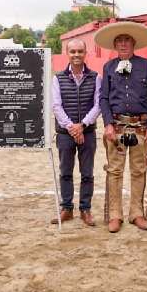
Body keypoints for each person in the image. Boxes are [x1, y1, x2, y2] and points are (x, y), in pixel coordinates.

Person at [96, 21, 147, 233]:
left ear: (134, 44)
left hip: (141, 126)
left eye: (127, 40)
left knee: (139, 170)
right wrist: (107, 124)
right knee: (114, 171)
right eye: (119, 41)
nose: (123, 44)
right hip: (116, 127)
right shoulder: (108, 67)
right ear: (115, 45)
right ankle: (115, 215)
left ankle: (137, 213)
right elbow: (104, 98)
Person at [50, 38, 101, 226]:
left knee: (87, 173)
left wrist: (83, 125)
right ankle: (67, 209)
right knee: (65, 172)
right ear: (67, 53)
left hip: (87, 133)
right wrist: (72, 127)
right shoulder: (58, 78)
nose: (76, 55)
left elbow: (98, 105)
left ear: (85, 53)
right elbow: (56, 106)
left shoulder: (96, 77)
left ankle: (85, 210)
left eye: (80, 51)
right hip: (65, 134)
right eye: (73, 52)